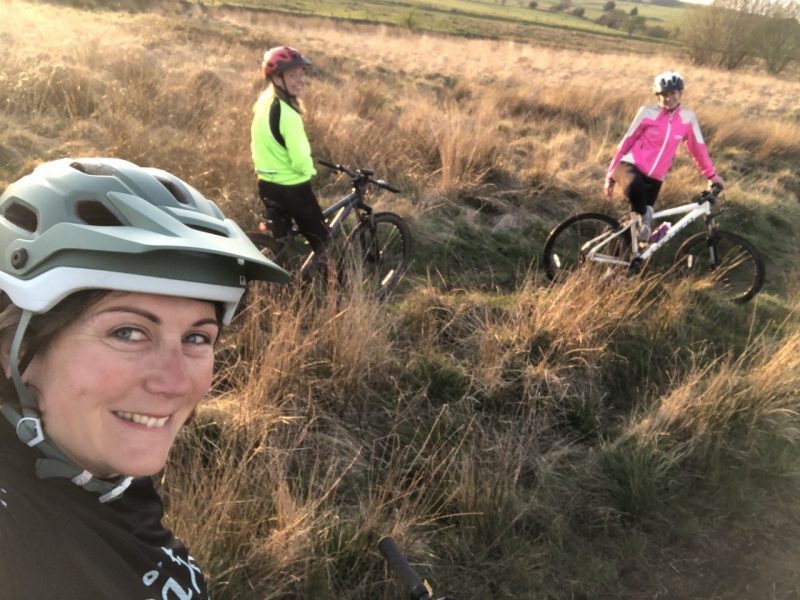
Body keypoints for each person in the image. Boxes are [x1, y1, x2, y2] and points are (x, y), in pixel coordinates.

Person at [0, 157, 288, 599]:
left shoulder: (101, 473)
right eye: (128, 332)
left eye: (197, 337)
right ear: (14, 350)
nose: (173, 383)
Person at [604, 70, 725, 244]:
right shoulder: (647, 112)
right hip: (631, 165)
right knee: (635, 189)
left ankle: (618, 267)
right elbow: (626, 142)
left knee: (635, 237)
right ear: (658, 96)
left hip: (655, 178)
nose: (668, 98)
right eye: (663, 95)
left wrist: (712, 176)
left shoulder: (687, 118)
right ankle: (646, 218)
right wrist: (610, 175)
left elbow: (698, 149)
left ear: (680, 93)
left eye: (672, 93)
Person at [251, 45, 329, 264]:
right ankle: (340, 293)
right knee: (322, 242)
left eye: (301, 74)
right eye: (292, 75)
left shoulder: (264, 102)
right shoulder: (288, 114)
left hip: (266, 183)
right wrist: (310, 170)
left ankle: (285, 287)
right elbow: (300, 160)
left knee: (282, 244)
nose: (300, 80)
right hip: (293, 189)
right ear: (276, 77)